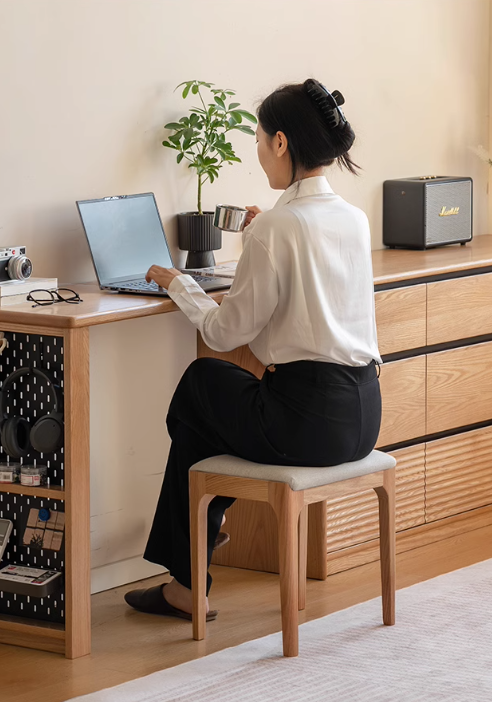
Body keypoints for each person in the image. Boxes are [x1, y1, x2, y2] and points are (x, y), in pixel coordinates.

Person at [124, 78, 382, 621]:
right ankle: (201, 539)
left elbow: (223, 333)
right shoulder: (353, 220)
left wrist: (178, 283)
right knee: (206, 408)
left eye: (261, 144)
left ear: (283, 143)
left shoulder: (278, 229)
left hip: (305, 421)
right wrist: (266, 231)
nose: (260, 156)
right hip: (362, 415)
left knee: (201, 382)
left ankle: (196, 562)